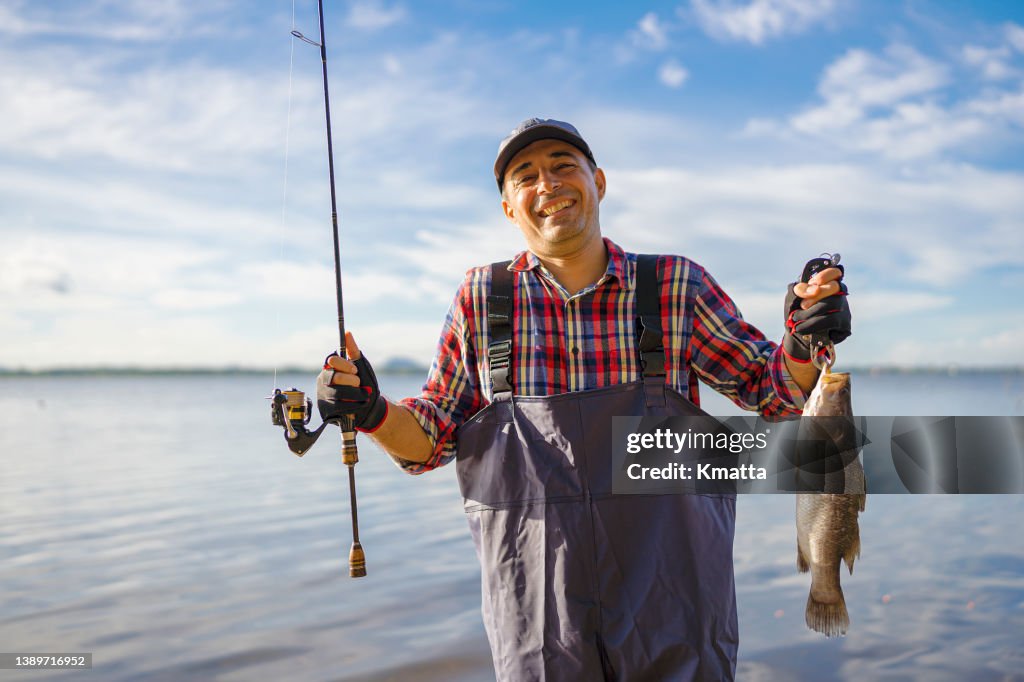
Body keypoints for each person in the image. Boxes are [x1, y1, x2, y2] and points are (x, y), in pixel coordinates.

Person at [316, 118, 851, 681]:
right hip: (539, 619)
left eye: (563, 167)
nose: (546, 184)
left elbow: (775, 390)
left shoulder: (674, 284)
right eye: (526, 176)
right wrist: (373, 412)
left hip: (677, 605)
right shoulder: (481, 298)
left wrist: (802, 338)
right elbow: (430, 439)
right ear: (508, 207)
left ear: (597, 181)